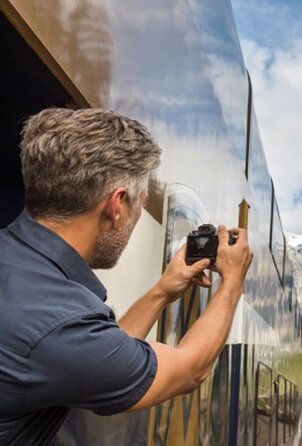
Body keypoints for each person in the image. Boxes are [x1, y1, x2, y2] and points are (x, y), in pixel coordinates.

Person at [0, 108, 253, 445]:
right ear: (117, 204)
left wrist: (163, 290)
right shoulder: (58, 324)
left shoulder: (26, 278)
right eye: (139, 204)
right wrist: (232, 281)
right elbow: (190, 370)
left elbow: (98, 351)